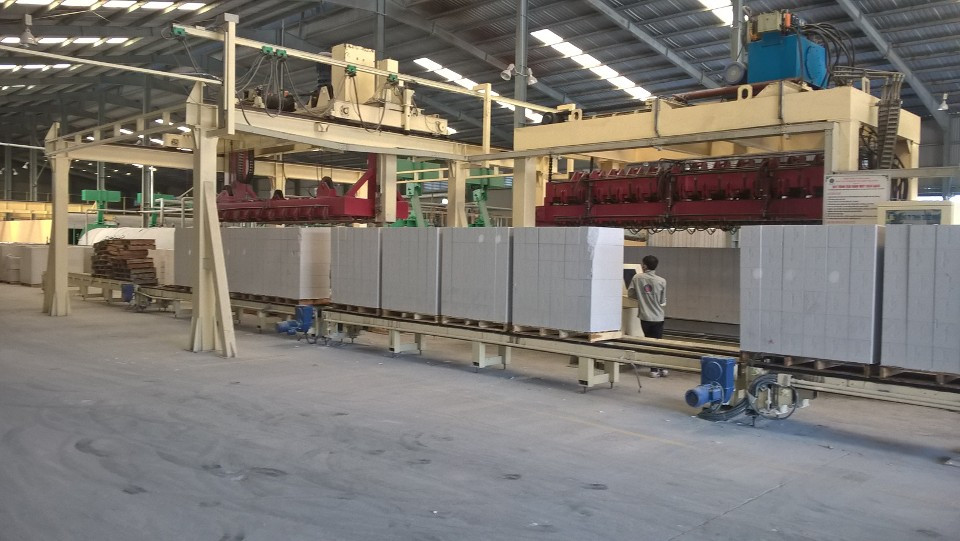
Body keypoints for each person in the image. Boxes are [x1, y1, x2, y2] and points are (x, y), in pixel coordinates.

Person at [627, 255, 669, 378]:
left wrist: (642, 297)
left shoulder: (637, 278)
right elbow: (662, 301)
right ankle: (662, 367)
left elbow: (631, 294)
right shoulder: (662, 281)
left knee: (649, 343)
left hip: (645, 316)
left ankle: (653, 369)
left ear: (644, 266)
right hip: (658, 317)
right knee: (658, 343)